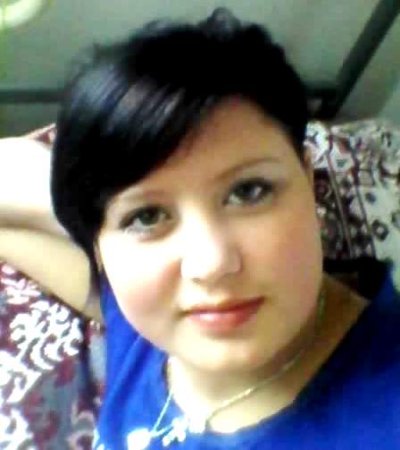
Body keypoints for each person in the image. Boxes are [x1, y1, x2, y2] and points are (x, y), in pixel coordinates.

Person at [1, 8, 400, 450]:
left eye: (249, 191)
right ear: (100, 248)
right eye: (147, 216)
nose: (210, 265)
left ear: (308, 182)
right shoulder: (148, 323)